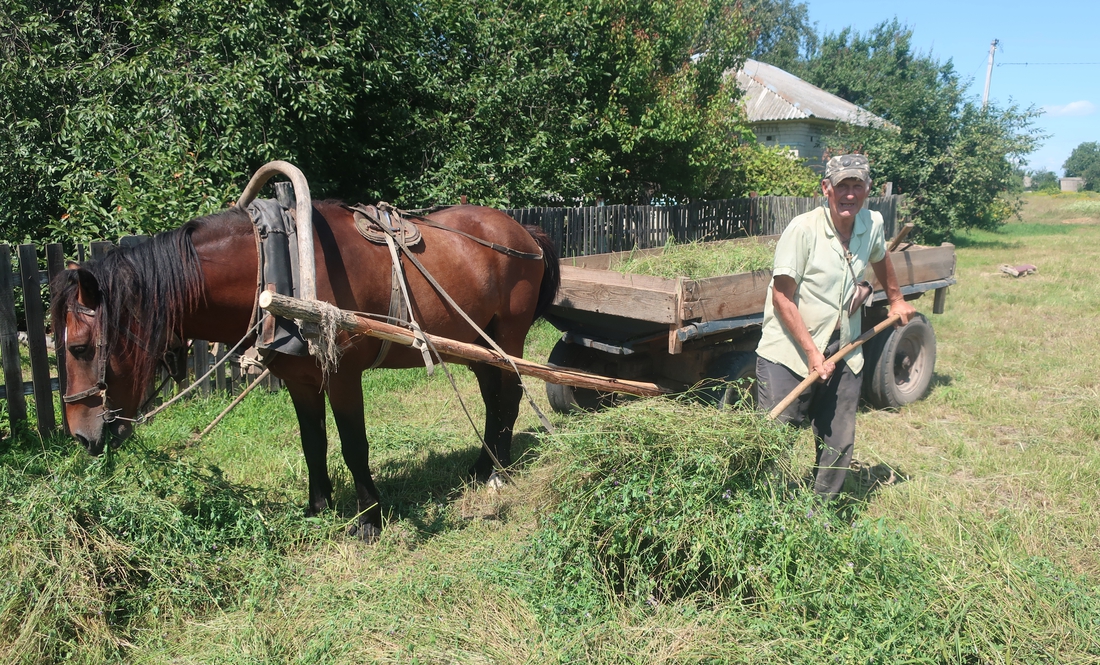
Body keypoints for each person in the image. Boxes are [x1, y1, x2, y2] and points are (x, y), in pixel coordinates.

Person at [755, 154, 917, 501]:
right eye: (842, 186)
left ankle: (822, 510)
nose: (850, 194)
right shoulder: (803, 230)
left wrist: (896, 298)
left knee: (839, 437)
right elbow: (781, 298)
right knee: (776, 435)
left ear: (868, 189)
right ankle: (764, 509)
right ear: (826, 188)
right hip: (790, 351)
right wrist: (812, 353)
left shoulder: (871, 223)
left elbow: (880, 256)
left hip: (844, 346)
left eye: (857, 185)